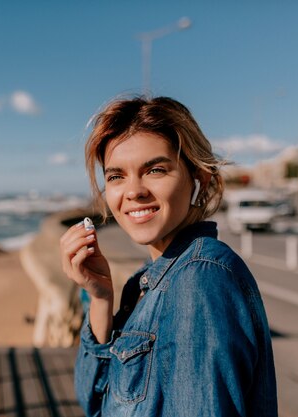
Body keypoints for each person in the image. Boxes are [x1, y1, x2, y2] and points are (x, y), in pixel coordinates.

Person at [60, 96, 277, 416]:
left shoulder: (199, 278)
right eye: (116, 176)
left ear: (198, 177)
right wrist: (102, 299)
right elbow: (95, 403)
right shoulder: (153, 280)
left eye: (155, 170)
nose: (133, 191)